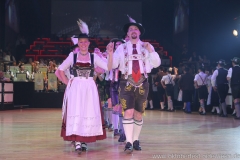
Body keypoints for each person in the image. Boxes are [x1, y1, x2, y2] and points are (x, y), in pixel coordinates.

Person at [55, 19, 113, 154]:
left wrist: (110, 54)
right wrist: (67, 82)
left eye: (85, 42)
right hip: (75, 87)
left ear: (89, 43)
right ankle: (78, 142)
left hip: (89, 87)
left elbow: (108, 67)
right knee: (77, 112)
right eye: (80, 42)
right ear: (78, 43)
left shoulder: (94, 57)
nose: (83, 44)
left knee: (87, 112)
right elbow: (60, 70)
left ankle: (84, 140)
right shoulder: (73, 56)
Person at [109, 21, 161, 153]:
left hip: (143, 82)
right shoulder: (121, 48)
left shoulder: (147, 47)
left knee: (138, 114)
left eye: (136, 29)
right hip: (126, 83)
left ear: (139, 33)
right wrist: (110, 53)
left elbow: (156, 64)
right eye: (131, 29)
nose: (133, 31)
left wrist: (151, 51)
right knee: (128, 112)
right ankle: (129, 142)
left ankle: (136, 139)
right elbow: (114, 64)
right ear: (127, 33)